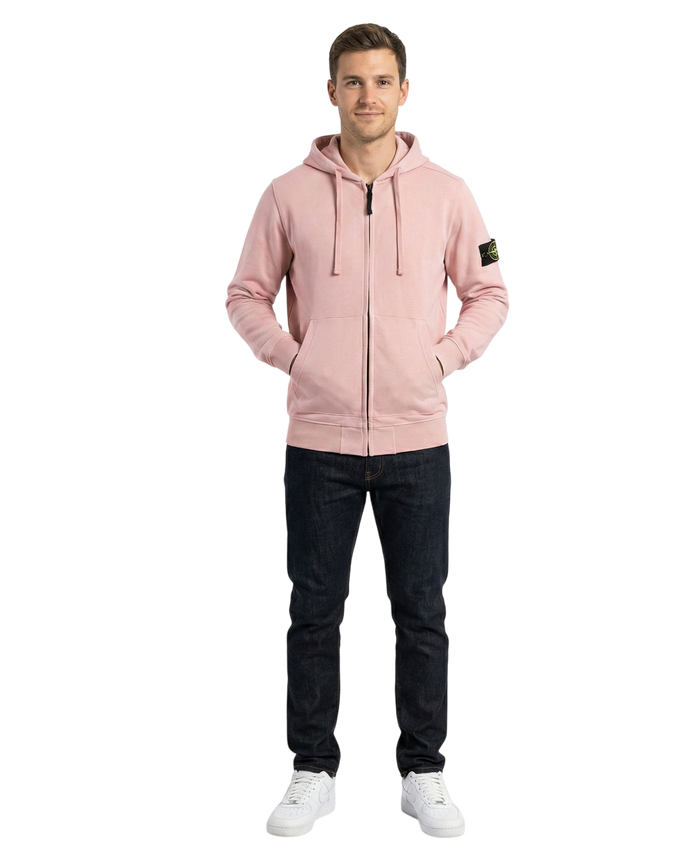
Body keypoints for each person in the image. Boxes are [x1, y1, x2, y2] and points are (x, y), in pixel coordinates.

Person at [223, 20, 512, 841]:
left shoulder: (451, 191)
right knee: (315, 610)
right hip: (318, 439)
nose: (368, 95)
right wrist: (298, 361)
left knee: (420, 609)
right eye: (353, 81)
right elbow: (244, 294)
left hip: (418, 438)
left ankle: (424, 772)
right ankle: (312, 772)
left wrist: (439, 361)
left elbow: (491, 293)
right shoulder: (284, 192)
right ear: (330, 93)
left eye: (382, 80)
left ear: (406, 91)